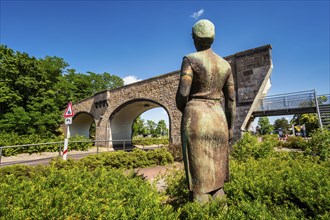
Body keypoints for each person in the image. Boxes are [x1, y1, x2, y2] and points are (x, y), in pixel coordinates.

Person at [176, 19, 236, 204]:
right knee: (218, 181)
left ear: (195, 37)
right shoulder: (225, 65)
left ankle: (199, 213)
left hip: (196, 117)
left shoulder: (190, 59)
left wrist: (185, 108)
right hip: (219, 119)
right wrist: (230, 127)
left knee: (199, 181)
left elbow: (183, 93)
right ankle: (221, 211)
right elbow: (231, 101)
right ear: (213, 38)